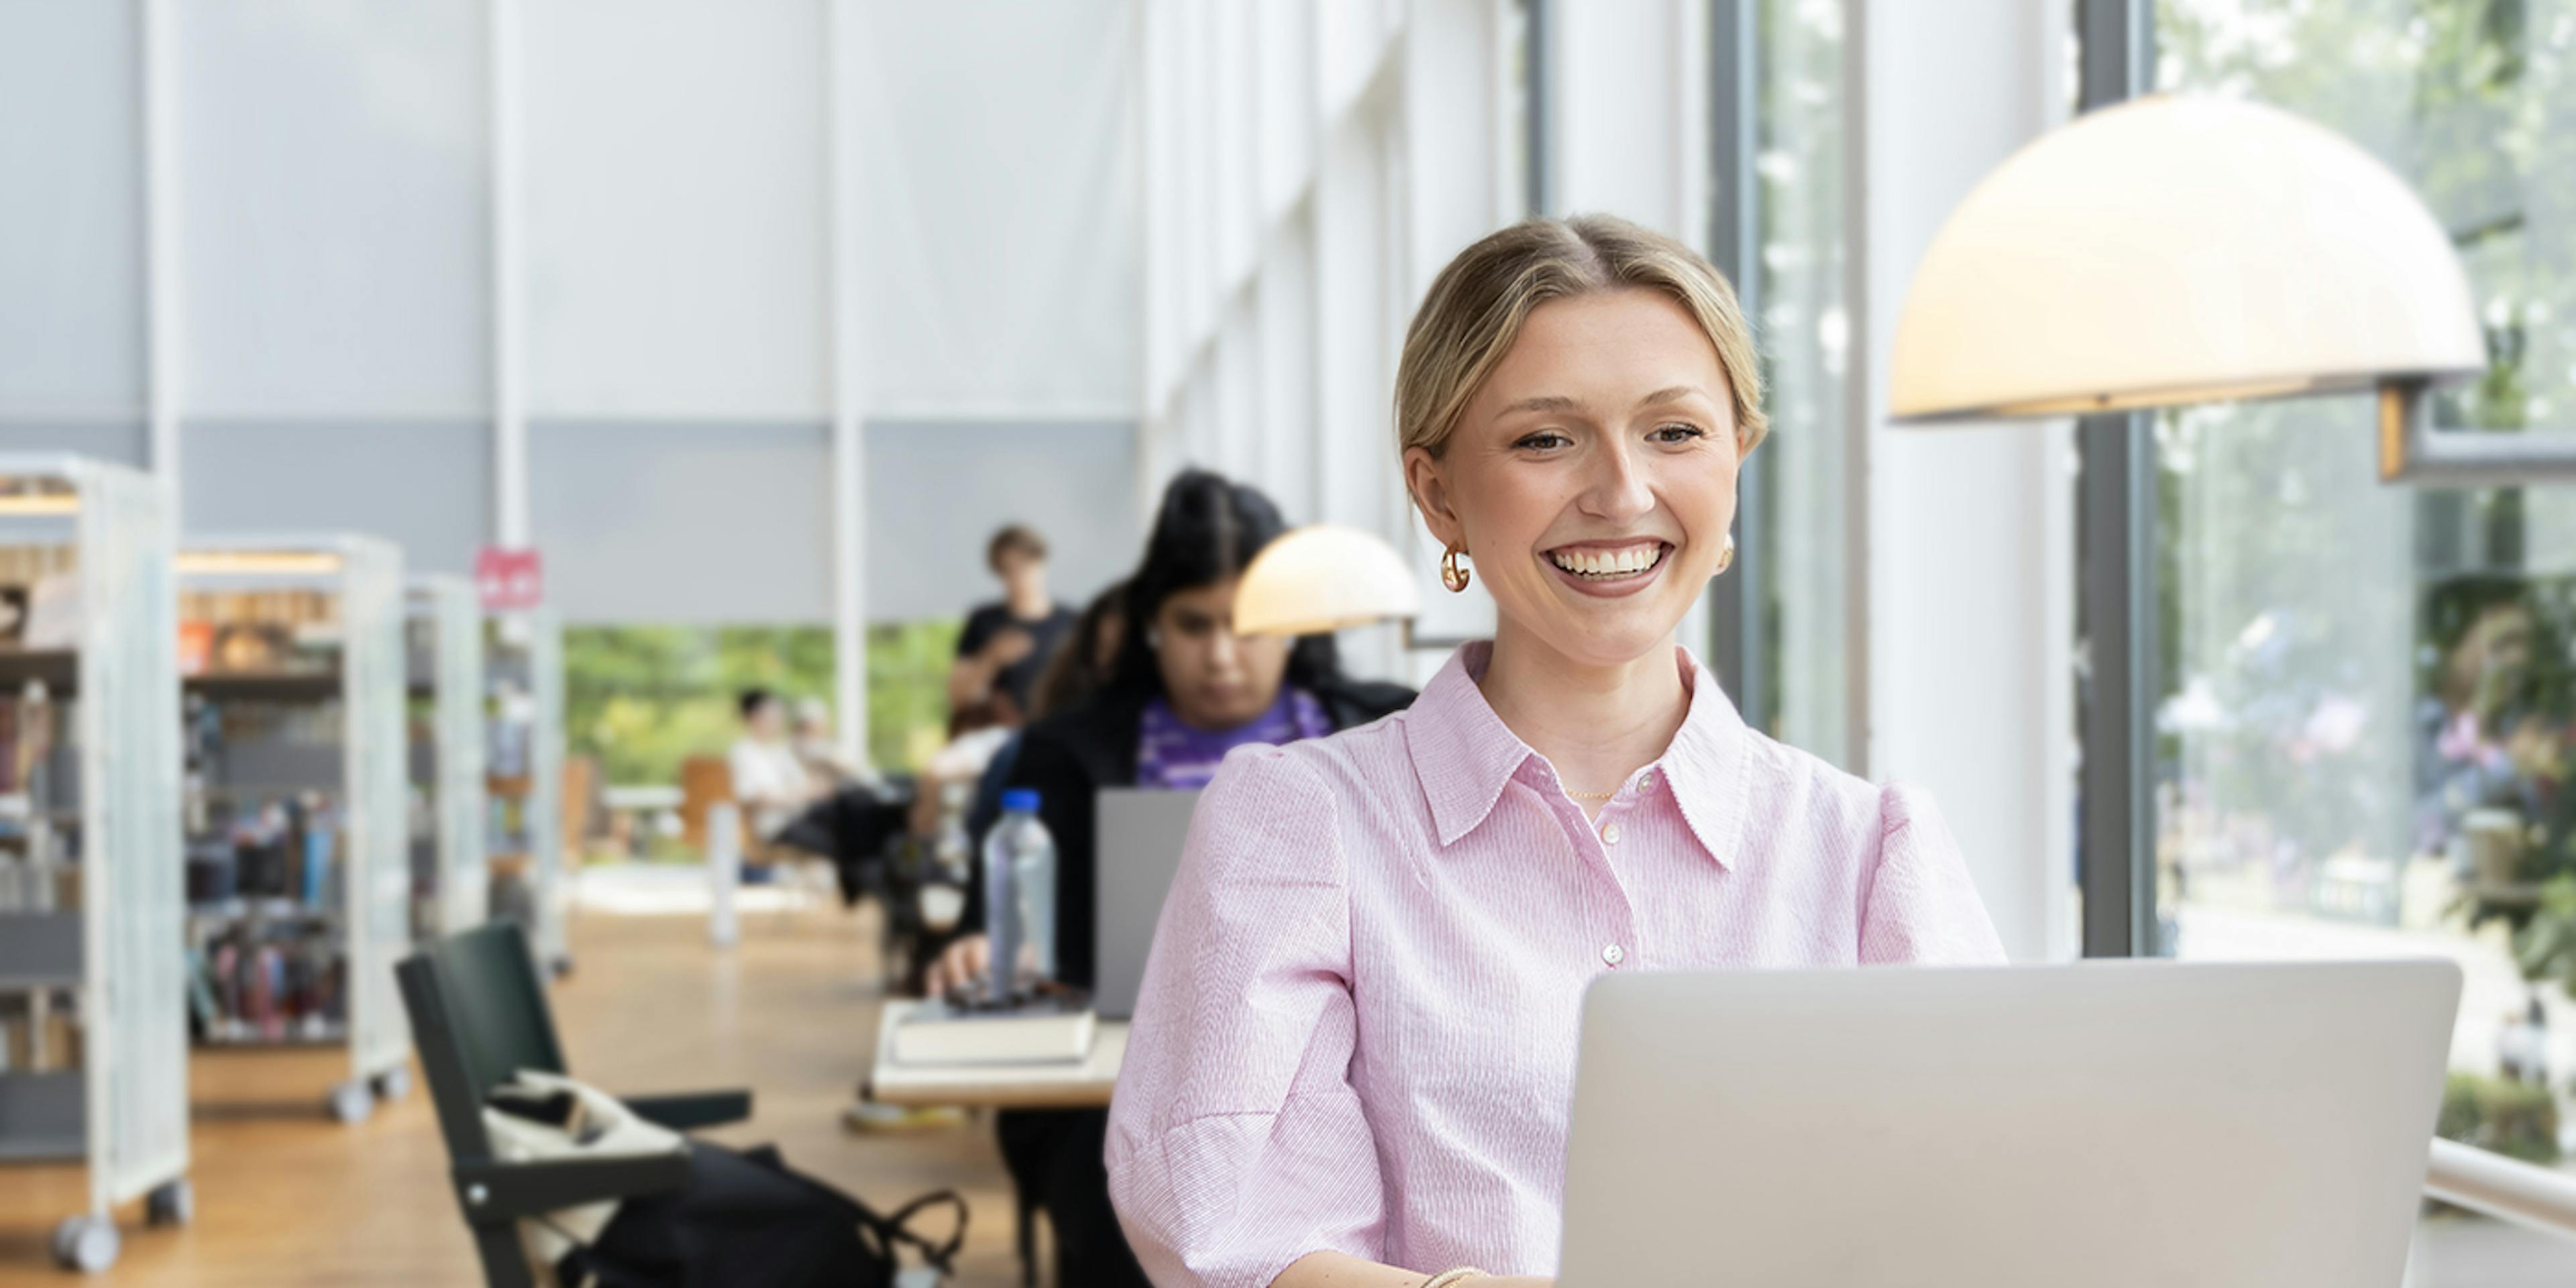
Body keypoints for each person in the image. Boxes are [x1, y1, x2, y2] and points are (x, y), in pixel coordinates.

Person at [1104, 215, 2006, 1288]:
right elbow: (1235, 1240)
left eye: (1675, 433)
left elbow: (1980, 1222)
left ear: (1737, 462)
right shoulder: (1302, 824)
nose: (1621, 493)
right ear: (1440, 494)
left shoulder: (1868, 853)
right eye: (1545, 439)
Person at [924, 470, 1414, 1288]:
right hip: (1121, 1102)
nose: (1221, 655)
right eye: (1192, 625)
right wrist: (982, 946)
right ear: (1152, 623)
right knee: (1142, 1199)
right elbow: (988, 926)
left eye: (1247, 625)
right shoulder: (1066, 754)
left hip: (1355, 1089)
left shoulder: (1390, 730)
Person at [950, 525, 1079, 722]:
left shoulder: (1072, 622)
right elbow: (959, 696)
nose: (1018, 577)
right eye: (1008, 569)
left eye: (1025, 565)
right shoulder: (985, 621)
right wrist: (991, 657)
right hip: (1002, 733)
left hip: (1060, 730)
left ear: (1041, 562)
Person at [727, 688, 821, 844]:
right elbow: (758, 797)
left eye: (779, 716)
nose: (778, 722)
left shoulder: (779, 751)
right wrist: (799, 794)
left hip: (796, 818)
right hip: (772, 827)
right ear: (754, 717)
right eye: (773, 716)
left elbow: (807, 786)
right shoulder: (743, 752)